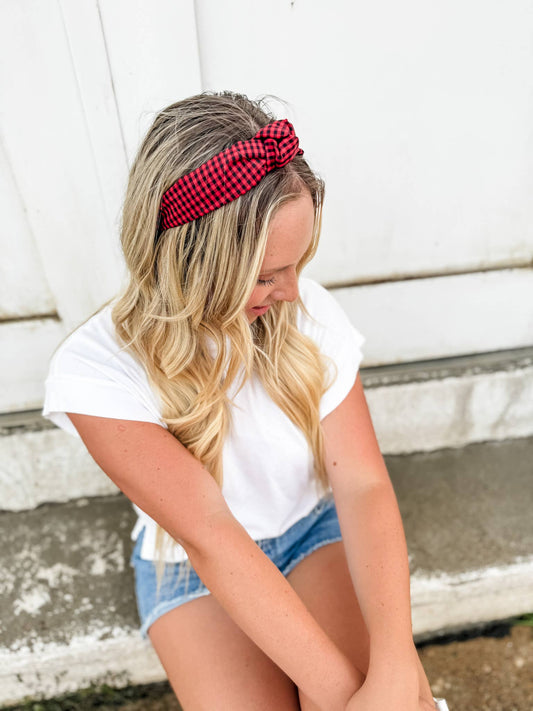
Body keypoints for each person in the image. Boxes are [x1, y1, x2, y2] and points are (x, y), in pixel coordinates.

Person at [43, 91, 445, 710]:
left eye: (298, 264)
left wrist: (394, 665)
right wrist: (346, 702)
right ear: (192, 262)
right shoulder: (96, 374)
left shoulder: (305, 314)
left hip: (316, 531)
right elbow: (212, 536)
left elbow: (362, 484)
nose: (289, 291)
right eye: (264, 275)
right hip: (194, 565)